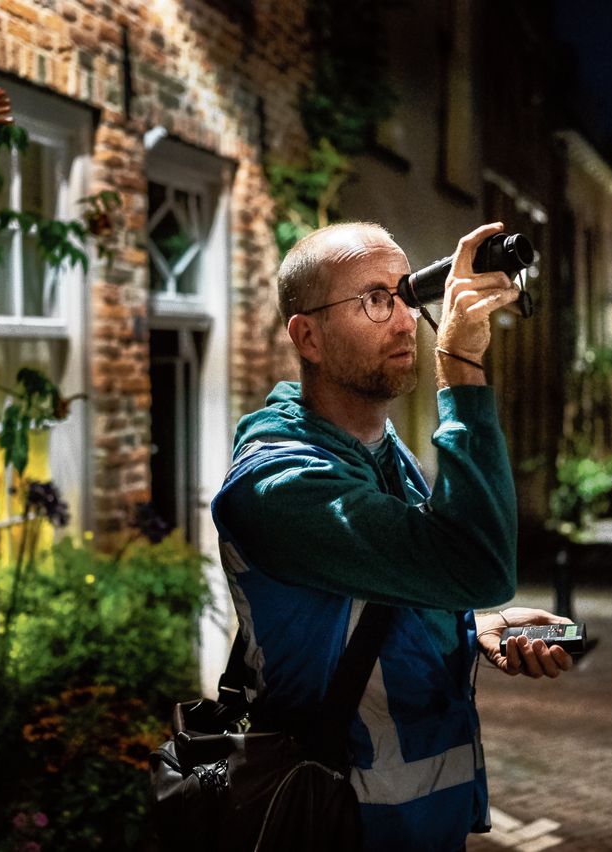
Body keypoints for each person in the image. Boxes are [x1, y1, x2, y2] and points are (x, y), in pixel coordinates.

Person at [210, 221, 573, 851]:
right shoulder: (278, 487)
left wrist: (470, 624)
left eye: (407, 293)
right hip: (334, 823)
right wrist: (459, 370)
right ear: (308, 336)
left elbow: (388, 588)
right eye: (374, 300)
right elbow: (477, 564)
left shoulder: (381, 452)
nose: (406, 320)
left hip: (425, 823)